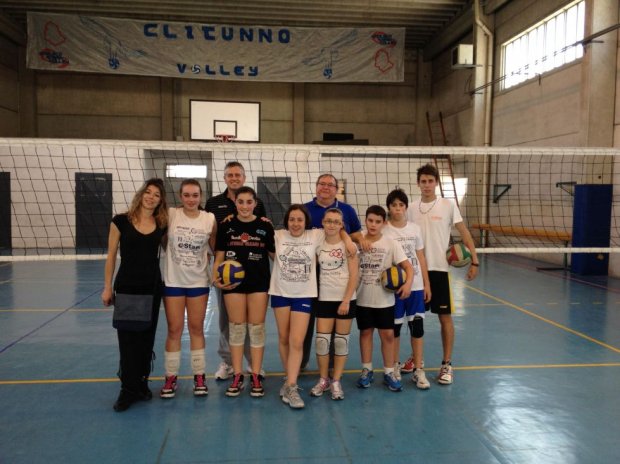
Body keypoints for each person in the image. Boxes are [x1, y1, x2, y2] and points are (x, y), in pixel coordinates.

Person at [269, 204, 355, 409]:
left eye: (299, 219)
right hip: (280, 292)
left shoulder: (315, 235)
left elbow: (337, 227)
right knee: (284, 338)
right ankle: (288, 379)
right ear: (286, 221)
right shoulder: (277, 235)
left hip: (304, 294)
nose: (295, 223)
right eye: (292, 219)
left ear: (306, 222)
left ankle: (292, 385)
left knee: (297, 341)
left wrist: (348, 239)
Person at [407, 163, 480, 385]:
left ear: (436, 183)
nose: (427, 185)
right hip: (416, 271)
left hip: (439, 270)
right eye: (423, 181)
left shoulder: (448, 205)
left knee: (444, 318)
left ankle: (447, 364)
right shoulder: (411, 208)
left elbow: (464, 232)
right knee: (414, 319)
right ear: (418, 183)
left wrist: (474, 260)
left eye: (430, 181)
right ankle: (415, 359)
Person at [102, 178, 168, 412]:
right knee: (128, 340)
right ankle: (127, 389)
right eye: (148, 192)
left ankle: (141, 384)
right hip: (128, 287)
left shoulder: (162, 224)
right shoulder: (120, 221)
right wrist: (107, 287)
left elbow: (173, 249)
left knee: (146, 339)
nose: (151, 197)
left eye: (157, 195)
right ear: (141, 194)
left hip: (152, 288)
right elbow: (111, 256)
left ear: (161, 201)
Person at [205, 161, 267, 380]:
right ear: (224, 178)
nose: (233, 178)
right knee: (228, 320)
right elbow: (210, 234)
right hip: (227, 270)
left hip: (254, 271)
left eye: (237, 175)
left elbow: (262, 229)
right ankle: (228, 362)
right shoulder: (213, 203)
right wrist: (217, 268)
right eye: (230, 175)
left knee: (253, 322)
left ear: (243, 177)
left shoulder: (257, 203)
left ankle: (252, 363)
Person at [212, 186, 275, 398]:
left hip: (259, 283)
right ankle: (238, 375)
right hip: (233, 284)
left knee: (256, 329)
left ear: (255, 203)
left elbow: (275, 255)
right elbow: (219, 257)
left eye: (249, 202)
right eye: (241, 202)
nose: (245, 206)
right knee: (236, 329)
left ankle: (255, 374)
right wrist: (216, 278)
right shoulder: (226, 225)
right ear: (235, 203)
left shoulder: (265, 226)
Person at [301, 173, 368, 369]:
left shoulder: (347, 209)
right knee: (305, 321)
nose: (325, 187)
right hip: (310, 272)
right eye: (322, 184)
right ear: (316, 186)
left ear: (336, 189)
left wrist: (350, 239)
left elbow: (356, 233)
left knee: (332, 324)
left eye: (330, 185)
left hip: (336, 272)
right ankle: (301, 362)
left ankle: (330, 367)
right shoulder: (305, 209)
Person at [160, 179, 216, 398]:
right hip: (173, 281)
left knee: (196, 328)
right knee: (174, 329)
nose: (191, 199)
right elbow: (160, 238)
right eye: (186, 195)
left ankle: (199, 376)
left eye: (195, 195)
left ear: (201, 196)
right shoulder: (171, 214)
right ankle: (170, 377)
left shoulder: (209, 219)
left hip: (198, 282)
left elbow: (215, 248)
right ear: (180, 196)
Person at [355, 205, 413, 393]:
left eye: (378, 222)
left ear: (384, 223)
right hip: (362, 297)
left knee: (387, 335)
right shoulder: (358, 240)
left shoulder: (390, 243)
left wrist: (408, 284)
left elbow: (408, 267)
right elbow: (346, 236)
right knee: (365, 333)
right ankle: (367, 370)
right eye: (370, 221)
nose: (373, 225)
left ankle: (389, 372)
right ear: (365, 221)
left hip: (385, 299)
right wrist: (358, 239)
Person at [383, 189, 431, 390]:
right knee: (394, 329)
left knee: (417, 328)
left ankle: (418, 369)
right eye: (394, 205)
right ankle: (394, 366)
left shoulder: (415, 229)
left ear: (405, 207)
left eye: (401, 205)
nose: (397, 208)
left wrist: (427, 284)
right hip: (393, 287)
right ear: (389, 208)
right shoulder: (384, 229)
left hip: (416, 285)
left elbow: (420, 257)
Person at [309, 208, 359, 401]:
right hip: (324, 299)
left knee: (340, 342)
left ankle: (336, 381)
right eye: (328, 221)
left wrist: (346, 300)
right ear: (323, 222)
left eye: (336, 222)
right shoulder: (318, 242)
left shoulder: (349, 246)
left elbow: (354, 275)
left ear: (341, 225)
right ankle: (324, 379)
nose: (331, 225)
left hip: (345, 299)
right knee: (322, 342)